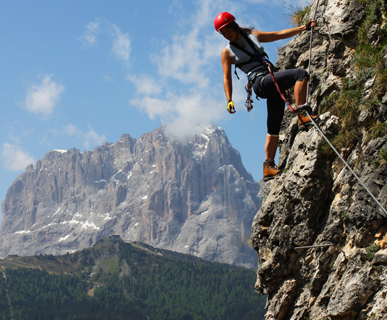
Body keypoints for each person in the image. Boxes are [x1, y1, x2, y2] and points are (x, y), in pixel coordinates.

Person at [215, 12, 317, 181]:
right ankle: (302, 114)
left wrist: (304, 28)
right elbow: (226, 77)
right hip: (260, 82)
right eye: (223, 33)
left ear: (233, 25)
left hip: (270, 80)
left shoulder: (252, 36)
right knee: (301, 74)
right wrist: (229, 100)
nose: (226, 35)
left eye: (227, 30)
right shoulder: (227, 52)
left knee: (274, 125)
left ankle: (268, 166)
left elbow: (278, 34)